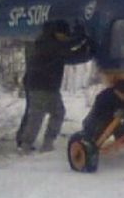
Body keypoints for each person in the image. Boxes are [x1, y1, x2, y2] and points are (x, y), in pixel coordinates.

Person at [15, 19, 93, 153]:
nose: (65, 38)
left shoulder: (54, 44)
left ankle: (48, 143)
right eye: (64, 35)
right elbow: (67, 49)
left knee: (58, 113)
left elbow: (72, 56)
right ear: (57, 33)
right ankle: (25, 145)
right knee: (36, 116)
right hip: (38, 85)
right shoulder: (47, 44)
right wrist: (81, 38)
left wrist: (87, 50)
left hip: (50, 86)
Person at [81, 79, 124, 145]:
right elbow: (101, 115)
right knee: (95, 140)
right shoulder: (104, 98)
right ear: (118, 92)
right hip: (95, 124)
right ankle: (93, 139)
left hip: (111, 120)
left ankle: (123, 136)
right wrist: (117, 113)